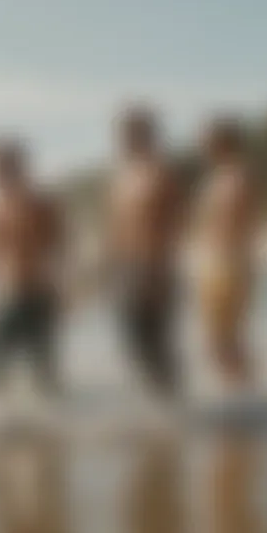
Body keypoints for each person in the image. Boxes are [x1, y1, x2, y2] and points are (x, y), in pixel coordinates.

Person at [0, 138, 67, 398]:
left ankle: (52, 425)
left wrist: (66, 289)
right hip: (5, 297)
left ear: (17, 166)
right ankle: (8, 419)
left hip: (36, 295)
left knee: (38, 368)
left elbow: (62, 247)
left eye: (0, 166)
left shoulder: (38, 204)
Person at [105, 105, 184, 400]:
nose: (121, 141)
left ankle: (174, 405)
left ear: (145, 136)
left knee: (156, 341)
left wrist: (160, 272)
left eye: (128, 135)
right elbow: (115, 229)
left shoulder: (160, 174)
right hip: (126, 268)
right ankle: (158, 405)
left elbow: (173, 225)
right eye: (121, 135)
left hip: (153, 266)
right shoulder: (122, 179)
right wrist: (105, 268)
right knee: (133, 342)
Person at [194, 116, 258, 390]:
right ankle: (241, 388)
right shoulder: (219, 178)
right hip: (217, 262)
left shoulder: (238, 177)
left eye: (207, 141)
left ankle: (243, 388)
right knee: (220, 336)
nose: (203, 146)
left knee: (222, 336)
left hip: (228, 262)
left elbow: (237, 223)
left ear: (223, 142)